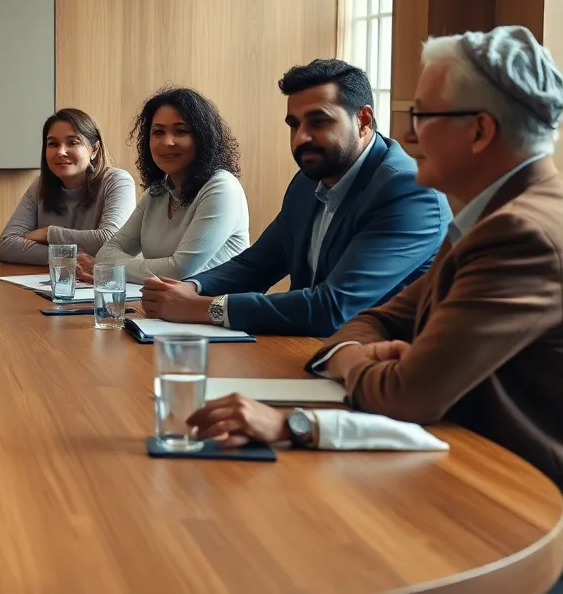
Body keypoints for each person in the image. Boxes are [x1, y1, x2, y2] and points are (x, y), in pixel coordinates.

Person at [191, 26, 563, 499]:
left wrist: (346, 360)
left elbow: (408, 392)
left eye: (422, 115)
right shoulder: (487, 215)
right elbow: (377, 319)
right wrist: (365, 352)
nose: (408, 133)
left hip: (517, 504)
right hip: (453, 466)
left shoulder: (520, 233)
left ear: (479, 130)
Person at [141, 60, 451, 336]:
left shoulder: (408, 191)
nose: (301, 138)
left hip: (382, 372)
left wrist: (200, 308)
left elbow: (332, 308)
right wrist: (190, 288)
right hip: (309, 352)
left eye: (319, 121)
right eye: (294, 125)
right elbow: (258, 264)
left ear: (364, 120)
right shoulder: (308, 180)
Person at [81, 88, 248, 282]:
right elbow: (106, 253)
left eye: (180, 131)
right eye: (158, 132)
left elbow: (179, 271)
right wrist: (109, 265)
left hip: (212, 308)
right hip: (160, 306)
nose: (167, 142)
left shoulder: (221, 188)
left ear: (203, 138)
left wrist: (109, 270)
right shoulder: (157, 192)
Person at [0, 108, 136, 264]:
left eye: (72, 142)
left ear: (94, 150)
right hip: (54, 283)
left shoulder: (117, 181)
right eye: (53, 144)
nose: (61, 152)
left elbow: (110, 239)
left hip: (105, 285)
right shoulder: (40, 185)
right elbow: (7, 245)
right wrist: (70, 258)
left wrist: (49, 234)